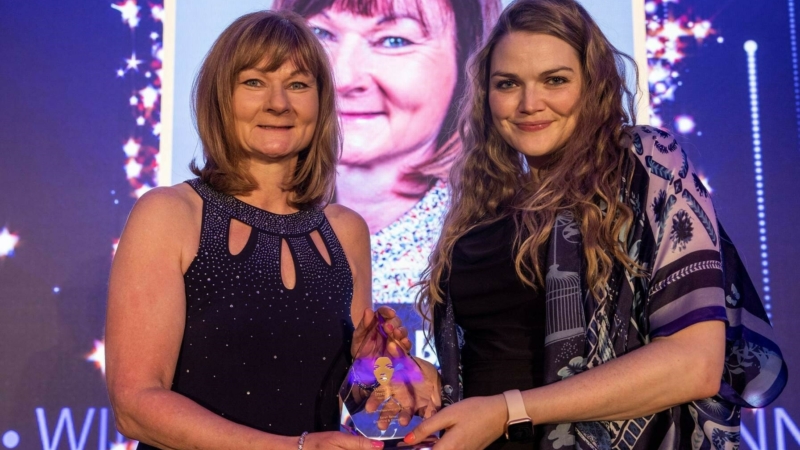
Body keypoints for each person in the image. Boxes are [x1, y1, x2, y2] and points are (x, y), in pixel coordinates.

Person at [404, 0, 788, 449]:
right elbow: (496, 358)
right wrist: (428, 381)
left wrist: (509, 411)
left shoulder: (644, 168)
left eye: (555, 80)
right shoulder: (481, 208)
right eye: (508, 84)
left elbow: (694, 363)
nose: (530, 104)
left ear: (593, 85)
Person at [105, 11, 414, 450]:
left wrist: (381, 370)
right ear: (220, 97)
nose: (278, 103)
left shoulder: (346, 231)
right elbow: (134, 405)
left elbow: (361, 406)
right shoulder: (169, 215)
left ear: (321, 103)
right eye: (254, 82)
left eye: (298, 84)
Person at [275, 0, 501, 322]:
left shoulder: (499, 239)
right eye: (320, 33)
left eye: (394, 41)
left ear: (468, 60)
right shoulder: (232, 224)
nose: (341, 77)